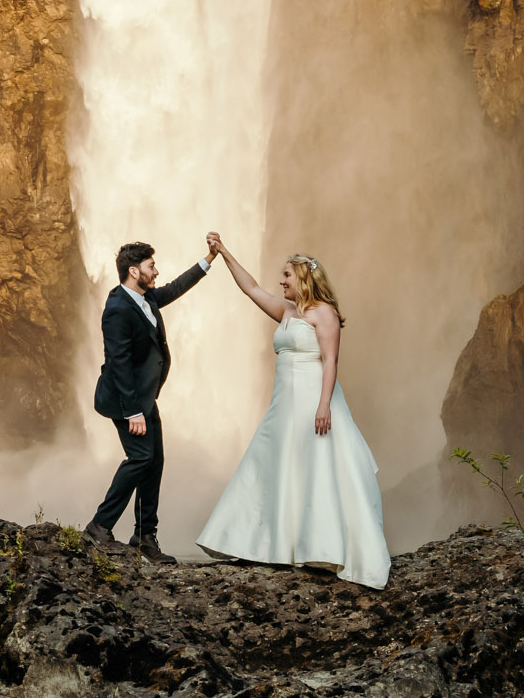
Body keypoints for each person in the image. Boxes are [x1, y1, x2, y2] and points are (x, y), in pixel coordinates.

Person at [193, 235, 389, 588]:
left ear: (303, 279)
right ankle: (271, 544)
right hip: (283, 404)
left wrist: (325, 404)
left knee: (316, 467)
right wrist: (222, 253)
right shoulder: (287, 311)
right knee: (277, 465)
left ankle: (321, 546)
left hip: (314, 399)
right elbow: (250, 288)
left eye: (286, 275)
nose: (280, 281)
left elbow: (330, 360)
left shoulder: (323, 313)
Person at [87, 239, 212, 559]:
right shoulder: (117, 308)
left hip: (143, 399)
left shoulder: (145, 297)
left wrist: (209, 259)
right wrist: (132, 413)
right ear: (133, 270)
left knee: (154, 461)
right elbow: (119, 363)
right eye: (151, 266)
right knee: (141, 458)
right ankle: (99, 527)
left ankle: (145, 535)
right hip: (125, 401)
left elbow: (174, 288)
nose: (156, 271)